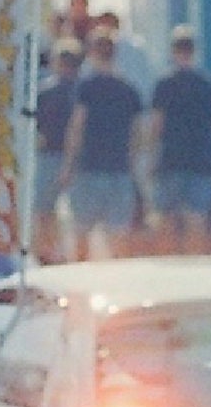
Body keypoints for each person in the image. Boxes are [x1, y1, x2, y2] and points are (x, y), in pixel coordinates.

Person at [60, 31, 147, 259]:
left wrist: (68, 166)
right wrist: (134, 165)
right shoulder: (130, 90)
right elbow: (137, 134)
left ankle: (80, 286)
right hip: (119, 169)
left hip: (88, 167)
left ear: (92, 53)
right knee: (118, 236)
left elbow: (76, 128)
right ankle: (118, 288)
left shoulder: (85, 87)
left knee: (81, 233)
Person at [148, 25, 211, 253]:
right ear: (194, 50)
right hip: (201, 160)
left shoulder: (164, 84)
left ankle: (167, 264)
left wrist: (151, 158)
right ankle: (194, 266)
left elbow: (156, 125)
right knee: (197, 218)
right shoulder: (210, 85)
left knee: (165, 217)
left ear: (173, 50)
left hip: (170, 159)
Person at [32, 38, 84, 262]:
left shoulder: (44, 92)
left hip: (48, 156)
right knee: (77, 215)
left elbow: (34, 126)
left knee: (44, 211)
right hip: (80, 159)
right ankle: (70, 254)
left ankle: (48, 253)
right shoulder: (84, 91)